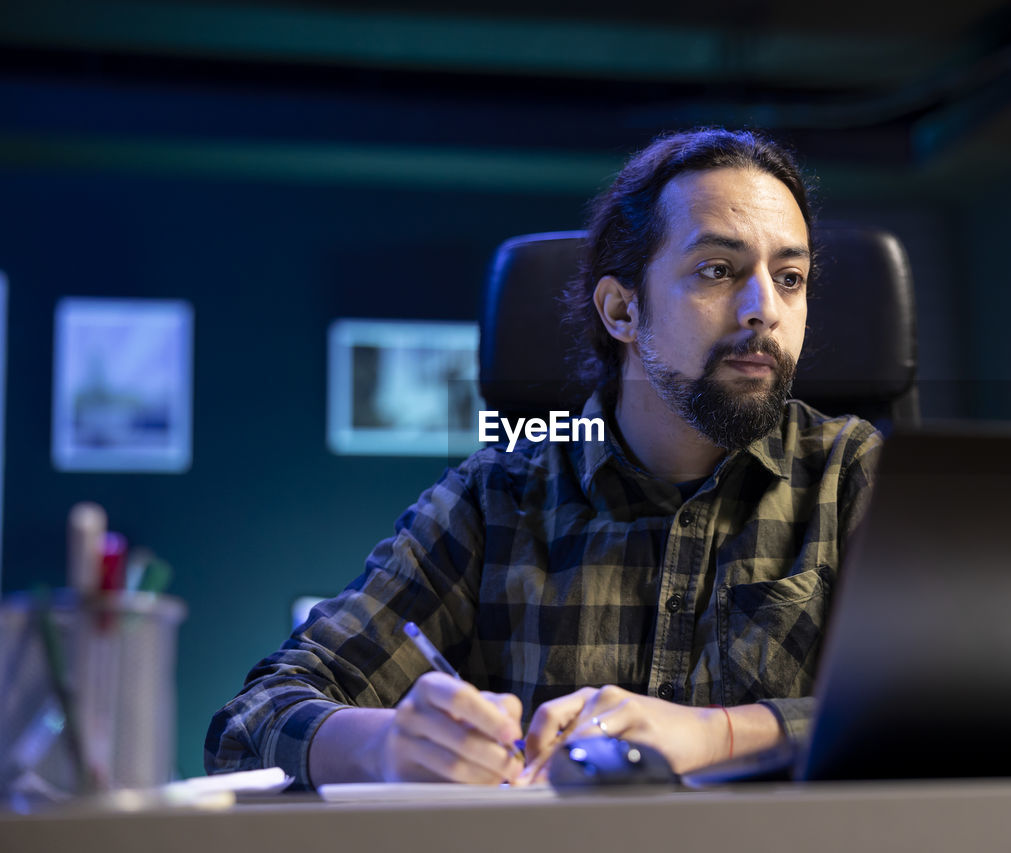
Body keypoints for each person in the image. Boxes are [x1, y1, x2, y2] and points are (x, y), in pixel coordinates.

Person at [205, 127, 881, 788]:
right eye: (717, 270)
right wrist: (384, 744)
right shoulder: (497, 494)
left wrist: (717, 733)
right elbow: (251, 719)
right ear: (622, 309)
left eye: (790, 278)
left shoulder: (855, 473)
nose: (765, 308)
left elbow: (954, 715)